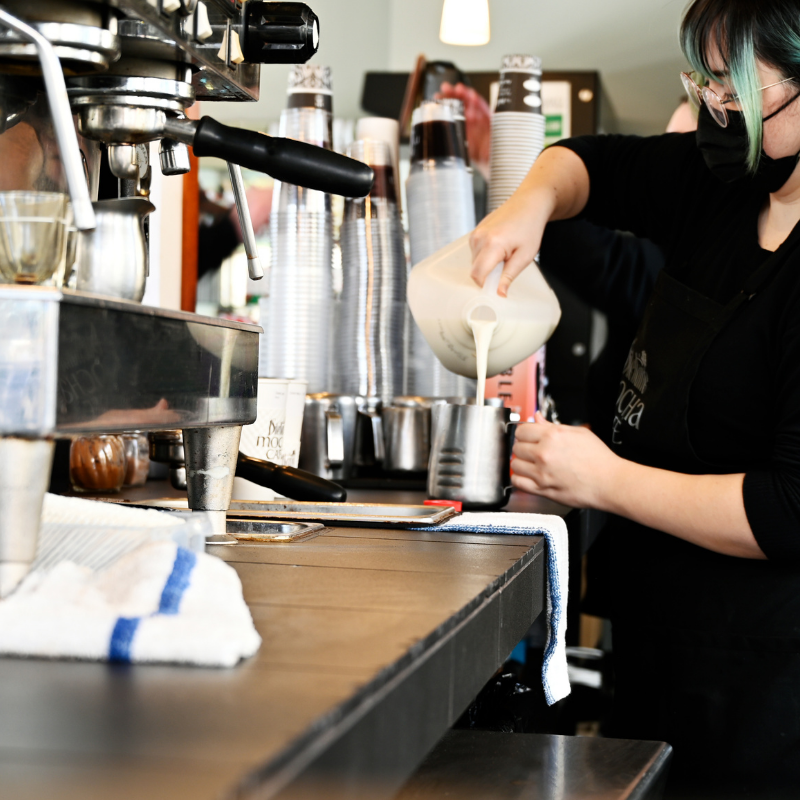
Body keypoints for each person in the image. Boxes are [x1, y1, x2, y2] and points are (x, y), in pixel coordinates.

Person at [467, 0, 800, 797]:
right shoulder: (728, 187)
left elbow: (789, 510)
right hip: (657, 639)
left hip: (768, 683)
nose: (716, 107)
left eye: (735, 88)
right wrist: (529, 207)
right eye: (706, 82)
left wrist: (601, 479)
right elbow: (584, 164)